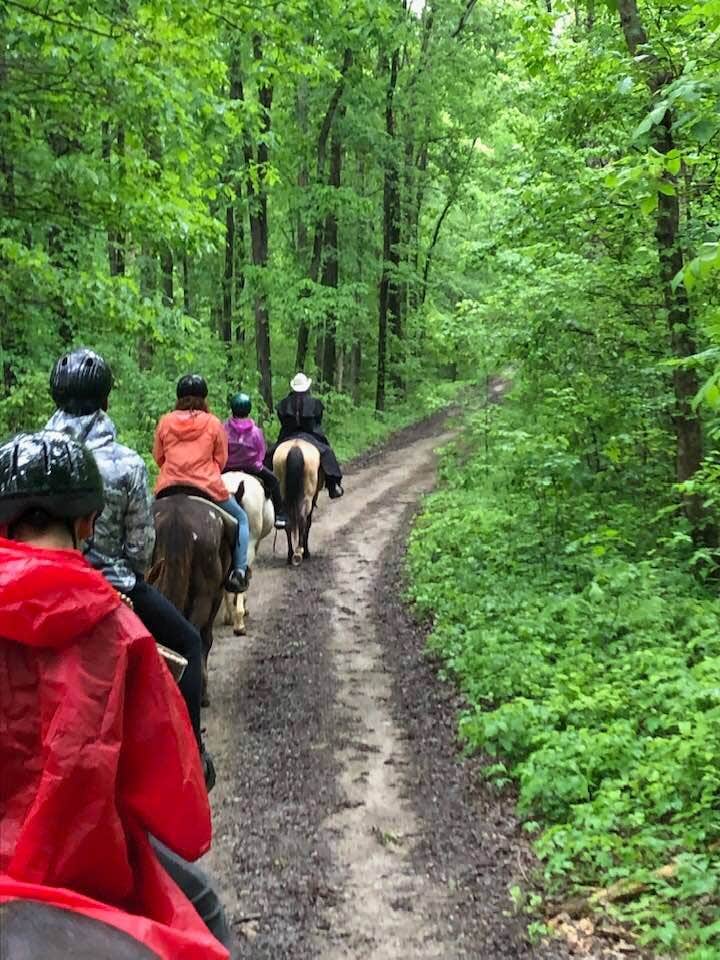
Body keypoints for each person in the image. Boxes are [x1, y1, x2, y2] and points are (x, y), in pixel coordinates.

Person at [0, 430, 230, 960]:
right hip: (84, 859)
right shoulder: (119, 629)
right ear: (85, 525)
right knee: (204, 907)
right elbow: (168, 789)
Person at [45, 348, 212, 787]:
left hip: (42, 586)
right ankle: (192, 758)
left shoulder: (28, 457)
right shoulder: (123, 464)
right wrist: (128, 573)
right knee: (190, 645)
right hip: (109, 586)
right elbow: (140, 546)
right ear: (105, 401)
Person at [153, 374, 249, 593]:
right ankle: (239, 572)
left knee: (139, 520)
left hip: (169, 486)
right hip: (207, 488)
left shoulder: (165, 421)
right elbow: (222, 459)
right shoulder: (214, 423)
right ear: (204, 399)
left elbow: (159, 457)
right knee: (242, 519)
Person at [272, 372, 344, 498]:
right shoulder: (315, 403)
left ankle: (267, 485)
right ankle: (333, 485)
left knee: (270, 454)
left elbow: (282, 421)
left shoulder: (284, 404)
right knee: (327, 453)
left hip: (288, 435)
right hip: (311, 435)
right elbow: (318, 421)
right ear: (307, 387)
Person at [223, 391, 287, 529]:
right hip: (252, 467)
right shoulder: (255, 431)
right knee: (274, 481)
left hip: (227, 466)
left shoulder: (224, 429)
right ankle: (280, 515)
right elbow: (261, 452)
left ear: (232, 409)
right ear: (249, 409)